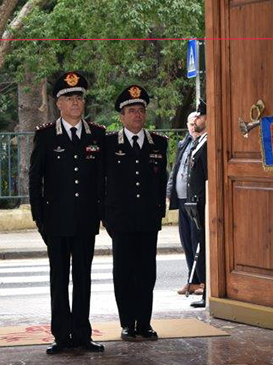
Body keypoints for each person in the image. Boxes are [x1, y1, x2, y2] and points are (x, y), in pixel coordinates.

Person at [28, 71, 106, 355]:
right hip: (56, 220)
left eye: (79, 97)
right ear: (58, 104)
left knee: (83, 277)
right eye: (69, 98)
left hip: (86, 219)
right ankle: (61, 334)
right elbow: (35, 179)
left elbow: (103, 179)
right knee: (59, 278)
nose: (75, 102)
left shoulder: (97, 134)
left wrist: (102, 214)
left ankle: (82, 333)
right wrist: (39, 217)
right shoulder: (46, 135)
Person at [103, 84, 168, 341]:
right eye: (131, 111)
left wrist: (159, 213)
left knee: (146, 273)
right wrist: (105, 215)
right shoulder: (109, 143)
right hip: (121, 219)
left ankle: (145, 322)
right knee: (123, 272)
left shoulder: (158, 143)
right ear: (122, 116)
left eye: (140, 110)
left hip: (147, 219)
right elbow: (102, 182)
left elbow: (161, 180)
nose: (137, 115)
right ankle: (128, 322)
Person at [166, 112, 201, 295]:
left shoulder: (202, 142)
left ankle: (202, 280)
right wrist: (168, 192)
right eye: (190, 122)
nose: (193, 125)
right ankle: (192, 280)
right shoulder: (184, 143)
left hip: (194, 200)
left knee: (197, 240)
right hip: (180, 199)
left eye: (196, 121)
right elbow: (175, 170)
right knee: (186, 241)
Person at [186, 100, 208, 308]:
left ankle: (208, 291)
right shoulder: (200, 141)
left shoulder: (208, 143)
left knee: (205, 248)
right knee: (200, 246)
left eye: (200, 116)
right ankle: (206, 289)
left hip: (205, 203)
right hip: (196, 205)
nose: (196, 119)